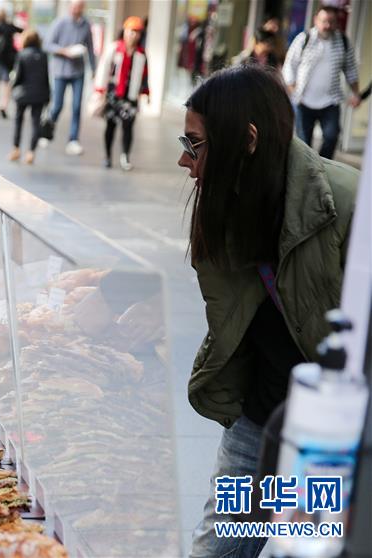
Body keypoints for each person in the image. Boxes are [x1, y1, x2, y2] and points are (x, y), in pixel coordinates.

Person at [180, 65, 357, 558]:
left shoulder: (347, 204)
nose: (184, 159)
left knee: (307, 549)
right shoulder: (223, 204)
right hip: (256, 421)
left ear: (248, 140)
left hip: (330, 438)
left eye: (195, 144)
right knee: (217, 549)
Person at [283, 5, 360, 160]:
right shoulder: (304, 39)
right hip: (303, 101)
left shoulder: (343, 42)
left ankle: (322, 167)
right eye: (324, 21)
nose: (327, 25)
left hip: (330, 101)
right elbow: (289, 66)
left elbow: (351, 69)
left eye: (331, 21)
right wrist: (293, 89)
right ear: (316, 20)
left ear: (336, 23)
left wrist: (356, 93)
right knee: (303, 145)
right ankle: (307, 170)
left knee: (332, 137)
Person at [95, 17, 148, 171]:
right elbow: (103, 69)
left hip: (130, 96)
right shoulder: (114, 48)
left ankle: (125, 156)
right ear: (125, 31)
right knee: (110, 126)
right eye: (132, 31)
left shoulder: (141, 53)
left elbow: (145, 75)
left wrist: (145, 92)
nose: (134, 35)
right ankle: (107, 156)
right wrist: (100, 90)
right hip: (113, 95)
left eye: (137, 32)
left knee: (128, 127)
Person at [44, 0, 95, 156]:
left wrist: (94, 69)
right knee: (57, 105)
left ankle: (73, 140)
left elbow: (90, 48)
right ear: (69, 7)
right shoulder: (60, 23)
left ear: (83, 8)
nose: (76, 9)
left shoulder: (86, 25)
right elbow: (47, 45)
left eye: (79, 6)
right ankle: (46, 131)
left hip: (78, 72)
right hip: (60, 71)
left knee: (77, 106)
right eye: (73, 6)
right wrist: (64, 51)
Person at [8, 30, 49, 165]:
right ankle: (31, 152)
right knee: (36, 122)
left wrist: (12, 87)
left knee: (18, 121)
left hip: (23, 94)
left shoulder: (22, 55)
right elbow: (46, 76)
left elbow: (18, 76)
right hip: (39, 93)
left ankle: (16, 149)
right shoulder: (43, 55)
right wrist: (48, 94)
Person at [0, 9, 22, 119]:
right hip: (8, 60)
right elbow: (21, 30)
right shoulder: (9, 26)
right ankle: (4, 105)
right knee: (7, 84)